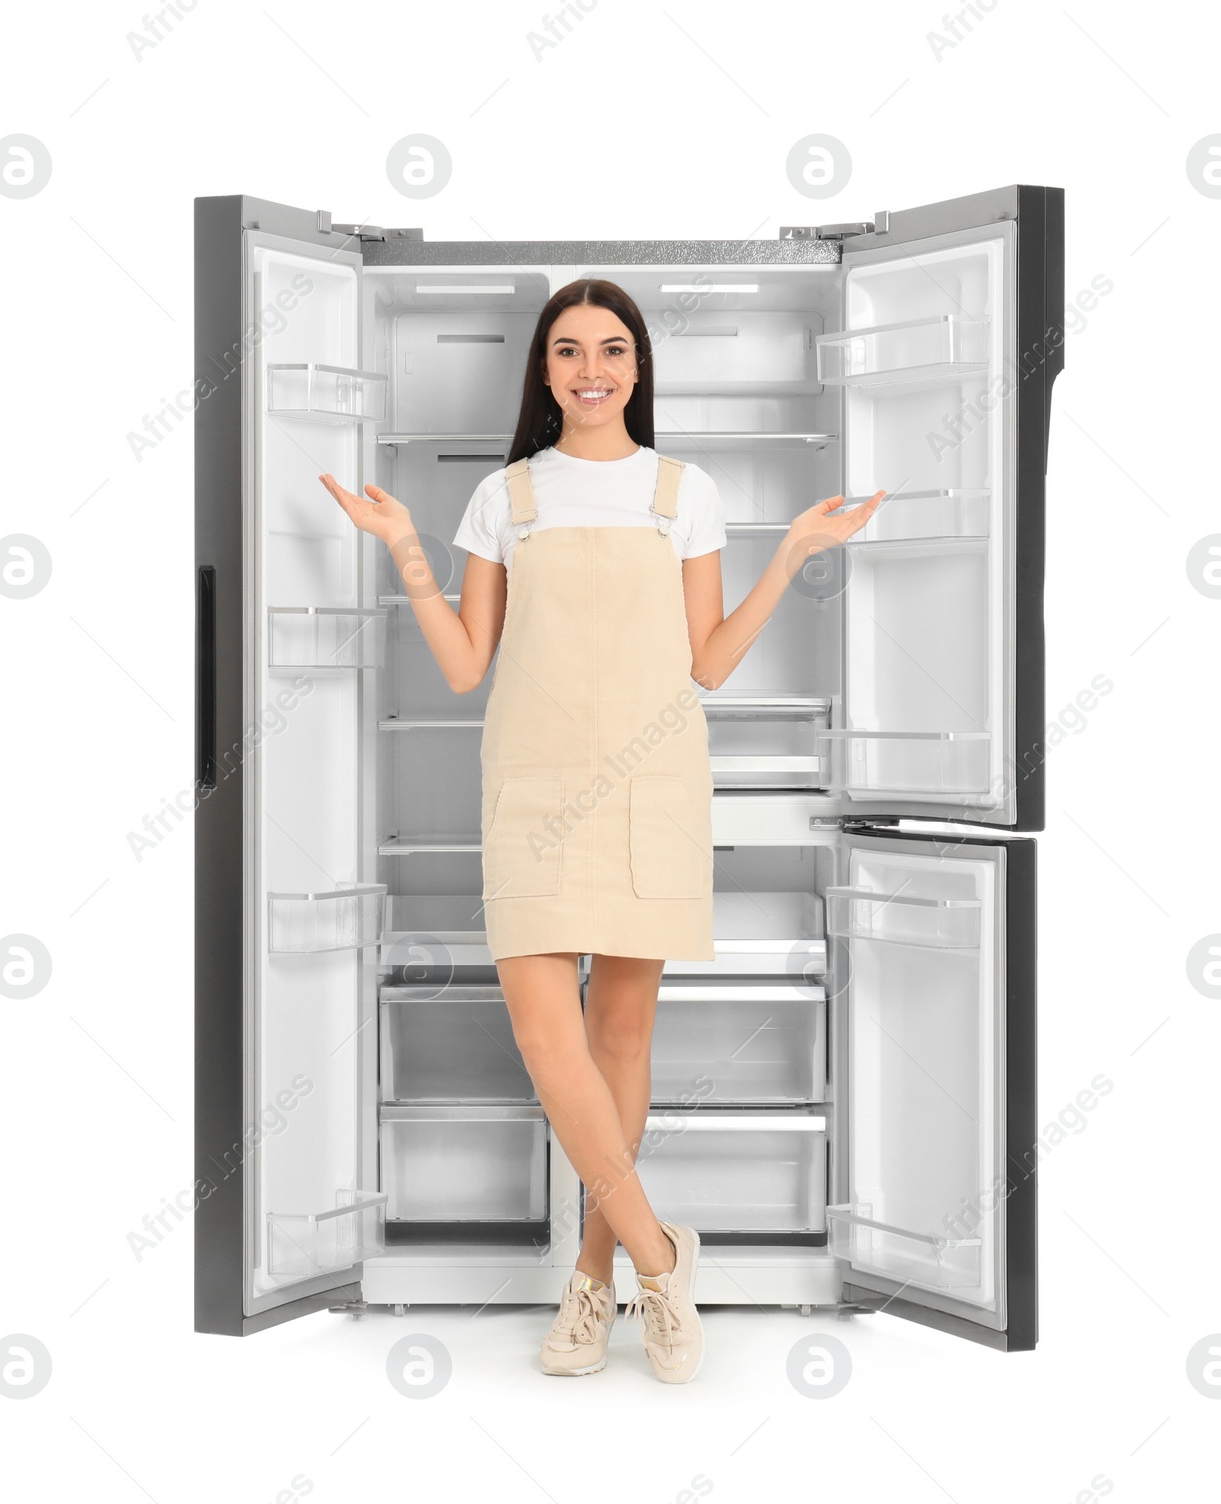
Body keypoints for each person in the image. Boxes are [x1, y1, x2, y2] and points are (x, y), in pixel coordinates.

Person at [320, 279, 883, 1383]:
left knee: (620, 1040)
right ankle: (660, 1254)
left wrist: (789, 557)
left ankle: (594, 1283)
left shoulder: (683, 492)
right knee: (547, 1039)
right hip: (530, 788)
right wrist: (405, 550)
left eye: (613, 349)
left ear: (637, 368)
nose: (592, 368)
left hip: (650, 785)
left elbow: (708, 662)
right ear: (543, 368)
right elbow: (464, 664)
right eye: (570, 349)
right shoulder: (507, 498)